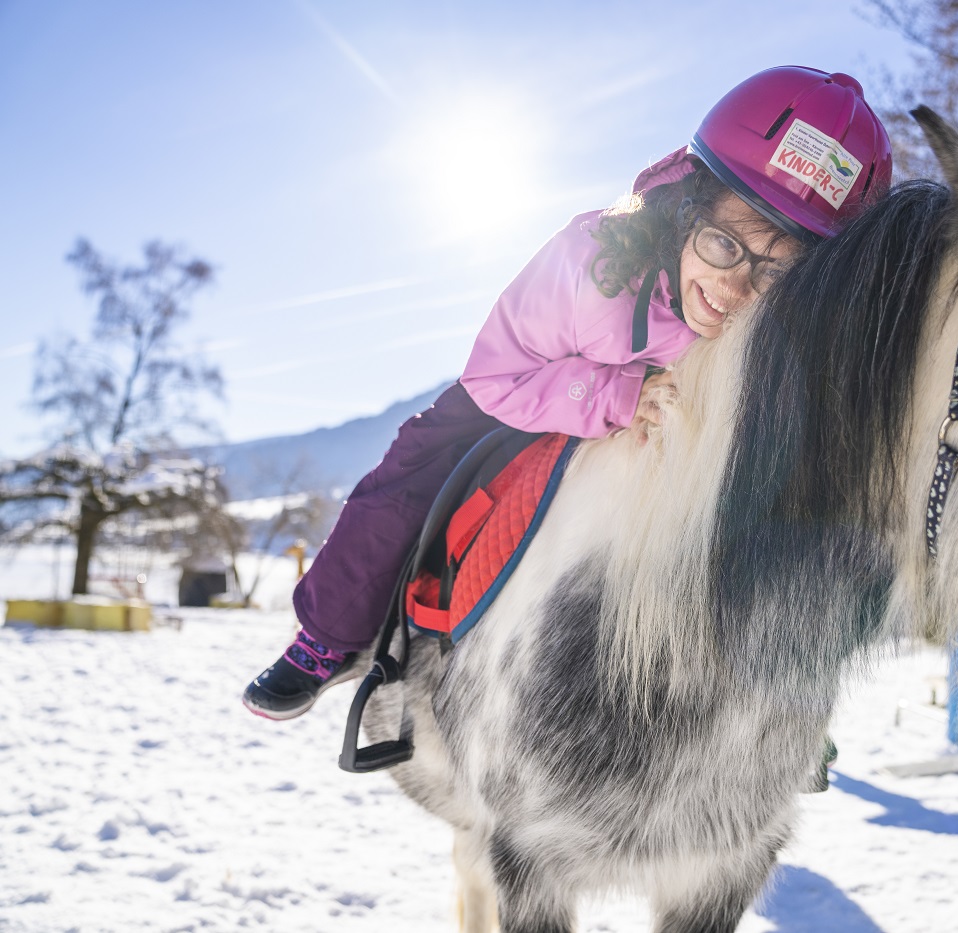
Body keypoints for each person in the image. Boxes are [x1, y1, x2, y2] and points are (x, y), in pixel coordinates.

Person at [243, 66, 893, 720]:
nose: (735, 288)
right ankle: (325, 637)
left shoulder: (785, 334)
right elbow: (497, 374)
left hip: (676, 435)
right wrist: (617, 394)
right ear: (685, 211)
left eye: (777, 270)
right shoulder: (591, 260)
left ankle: (783, 702)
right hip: (532, 389)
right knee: (410, 471)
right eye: (723, 243)